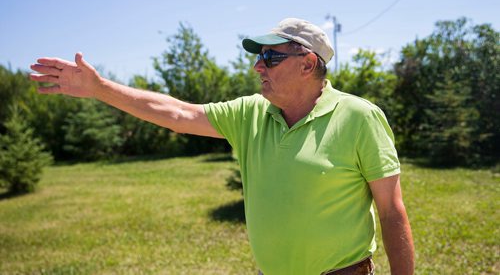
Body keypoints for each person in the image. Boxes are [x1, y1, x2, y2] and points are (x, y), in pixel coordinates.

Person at [30, 18, 414, 275]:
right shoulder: (250, 113)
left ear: (308, 63)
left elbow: (392, 212)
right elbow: (176, 113)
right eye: (258, 57)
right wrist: (100, 89)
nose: (257, 66)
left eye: (270, 56)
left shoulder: (359, 116)